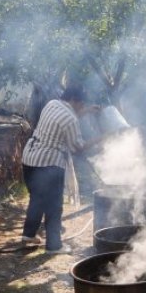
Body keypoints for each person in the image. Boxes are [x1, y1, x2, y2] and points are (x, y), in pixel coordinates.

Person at [21, 86, 100, 254]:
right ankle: (54, 246)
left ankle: (28, 235)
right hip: (49, 164)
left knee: (37, 199)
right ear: (75, 100)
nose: (81, 107)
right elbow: (77, 147)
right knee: (54, 206)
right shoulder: (70, 118)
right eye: (81, 104)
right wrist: (100, 139)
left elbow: (65, 119)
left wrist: (85, 111)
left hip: (29, 158)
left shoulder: (52, 104)